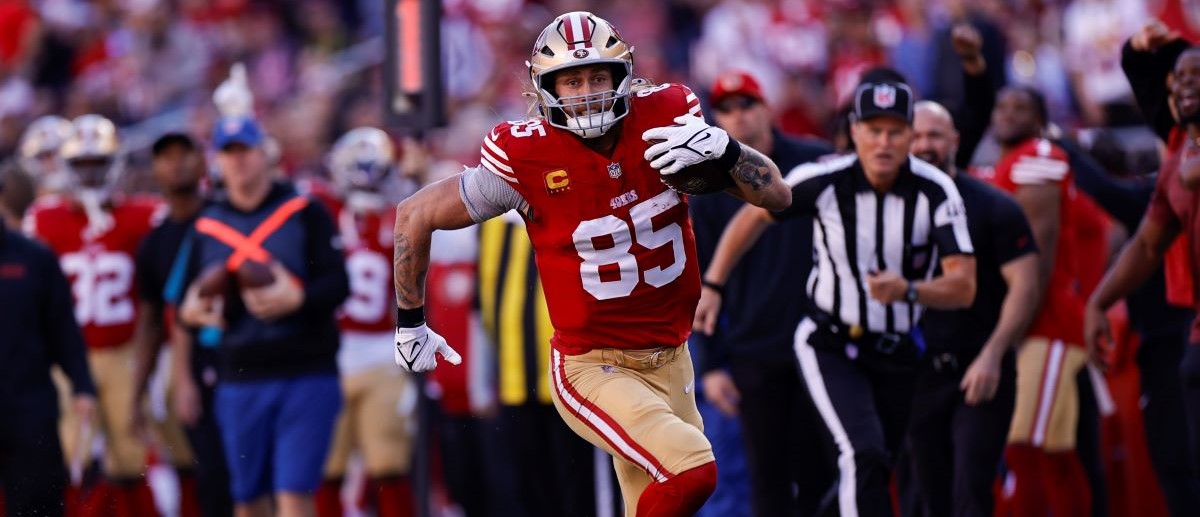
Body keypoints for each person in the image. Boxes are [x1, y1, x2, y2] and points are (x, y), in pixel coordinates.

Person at [389, 11, 791, 517]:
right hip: (593, 366)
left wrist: (730, 152)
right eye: (572, 81)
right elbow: (413, 216)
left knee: (659, 500)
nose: (587, 91)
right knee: (692, 470)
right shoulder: (526, 158)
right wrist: (410, 324)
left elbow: (778, 196)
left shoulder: (665, 121)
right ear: (545, 89)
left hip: (673, 354)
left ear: (622, 76)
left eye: (598, 76)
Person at [698, 69, 977, 517]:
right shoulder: (825, 178)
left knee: (871, 463)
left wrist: (908, 290)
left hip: (896, 348)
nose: (883, 143)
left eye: (894, 131)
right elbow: (752, 217)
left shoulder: (935, 190)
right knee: (858, 455)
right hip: (827, 342)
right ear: (854, 133)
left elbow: (964, 286)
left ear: (909, 135)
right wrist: (713, 285)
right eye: (873, 131)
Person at [177, 116, 349, 517]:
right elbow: (184, 307)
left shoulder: (305, 210)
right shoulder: (205, 224)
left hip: (306, 370)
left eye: (244, 150)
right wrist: (192, 313)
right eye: (228, 152)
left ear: (264, 153)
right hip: (239, 376)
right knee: (247, 497)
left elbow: (339, 284)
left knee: (293, 492)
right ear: (216, 161)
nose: (237, 162)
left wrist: (299, 300)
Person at [689, 69, 834, 517]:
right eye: (727, 109)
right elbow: (702, 278)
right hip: (755, 348)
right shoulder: (709, 187)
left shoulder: (816, 161)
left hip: (823, 339)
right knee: (766, 479)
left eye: (746, 105)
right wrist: (711, 364)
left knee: (828, 473)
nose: (739, 117)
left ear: (767, 107)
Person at [23, 114, 164, 516]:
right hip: (67, 355)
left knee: (130, 459)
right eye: (81, 165)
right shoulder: (45, 218)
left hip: (123, 352)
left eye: (98, 163)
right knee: (67, 456)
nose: (89, 174)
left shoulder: (143, 216)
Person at [907, 101, 1040, 517]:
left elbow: (1026, 284)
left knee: (971, 492)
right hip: (916, 372)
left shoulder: (993, 205)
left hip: (978, 367)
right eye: (917, 135)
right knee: (928, 497)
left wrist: (994, 354)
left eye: (935, 135)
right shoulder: (888, 204)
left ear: (955, 141)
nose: (925, 144)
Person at [1091, 21, 1200, 513]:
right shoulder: (1180, 153)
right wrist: (1099, 299)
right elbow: (1148, 245)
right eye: (1178, 79)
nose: (1184, 84)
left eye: (1197, 75)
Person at [975, 84, 1094, 517]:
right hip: (1030, 324)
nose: (1007, 113)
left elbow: (1036, 259)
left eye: (1020, 107)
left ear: (1041, 119)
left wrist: (1010, 330)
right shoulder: (1001, 165)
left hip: (1045, 323)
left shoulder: (1039, 156)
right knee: (1054, 454)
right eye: (1001, 105)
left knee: (1023, 446)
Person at [128, 132, 233, 517]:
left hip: (243, 354)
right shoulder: (154, 242)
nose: (176, 164)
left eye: (184, 154)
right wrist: (136, 392)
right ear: (154, 168)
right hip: (193, 362)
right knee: (209, 474)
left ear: (203, 162)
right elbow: (152, 321)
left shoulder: (226, 215)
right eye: (166, 157)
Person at [313, 127, 416, 517]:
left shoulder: (395, 217)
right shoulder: (328, 212)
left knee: (386, 466)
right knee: (331, 468)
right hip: (341, 355)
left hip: (376, 356)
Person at [0, 173, 97, 517]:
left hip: (29, 405)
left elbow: (63, 329)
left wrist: (82, 384)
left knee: (38, 503)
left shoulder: (34, 257)